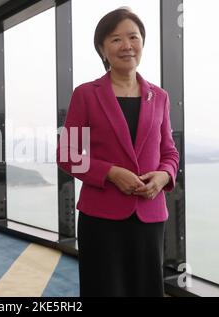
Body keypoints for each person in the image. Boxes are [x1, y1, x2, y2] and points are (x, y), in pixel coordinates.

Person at [56, 8, 180, 297]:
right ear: (102, 48)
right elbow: (68, 154)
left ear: (142, 43)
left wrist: (163, 177)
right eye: (115, 39)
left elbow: (170, 153)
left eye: (133, 37)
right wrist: (111, 173)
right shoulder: (86, 94)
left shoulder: (159, 97)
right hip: (101, 218)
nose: (126, 45)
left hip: (150, 216)